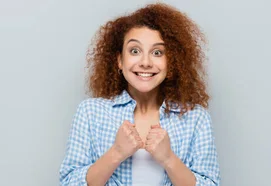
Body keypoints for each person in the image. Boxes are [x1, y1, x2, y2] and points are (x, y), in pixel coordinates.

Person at [59, 3, 220, 186]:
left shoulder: (196, 118)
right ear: (120, 60)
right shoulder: (90, 113)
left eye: (157, 52)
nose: (145, 62)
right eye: (135, 51)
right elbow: (69, 182)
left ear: (172, 63)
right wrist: (117, 152)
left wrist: (169, 159)